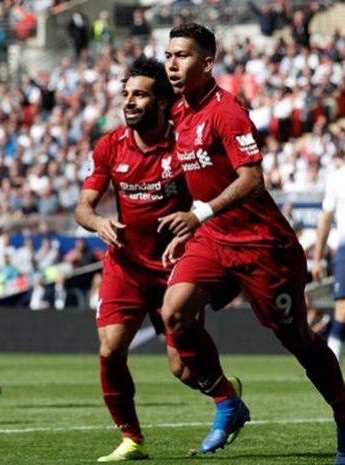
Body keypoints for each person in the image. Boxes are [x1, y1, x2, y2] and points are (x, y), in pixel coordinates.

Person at [159, 23, 345, 461]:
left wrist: (198, 212)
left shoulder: (227, 111)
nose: (172, 63)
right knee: (175, 312)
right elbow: (194, 175)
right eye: (169, 55)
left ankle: (343, 415)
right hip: (213, 241)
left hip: (263, 247)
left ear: (208, 64)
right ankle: (228, 402)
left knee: (297, 339)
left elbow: (253, 180)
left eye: (182, 55)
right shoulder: (179, 113)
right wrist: (187, 224)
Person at [75, 55, 241, 462]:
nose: (129, 102)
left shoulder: (185, 145)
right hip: (126, 266)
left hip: (174, 268)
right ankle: (131, 438)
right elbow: (83, 205)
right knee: (110, 348)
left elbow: (212, 196)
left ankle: (227, 394)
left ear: (163, 102)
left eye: (140, 95)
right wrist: (97, 222)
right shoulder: (110, 146)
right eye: (126, 94)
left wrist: (196, 233)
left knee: (183, 371)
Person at [313, 149, 345, 361]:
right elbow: (325, 219)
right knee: (342, 311)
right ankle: (331, 370)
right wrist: (317, 258)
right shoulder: (336, 178)